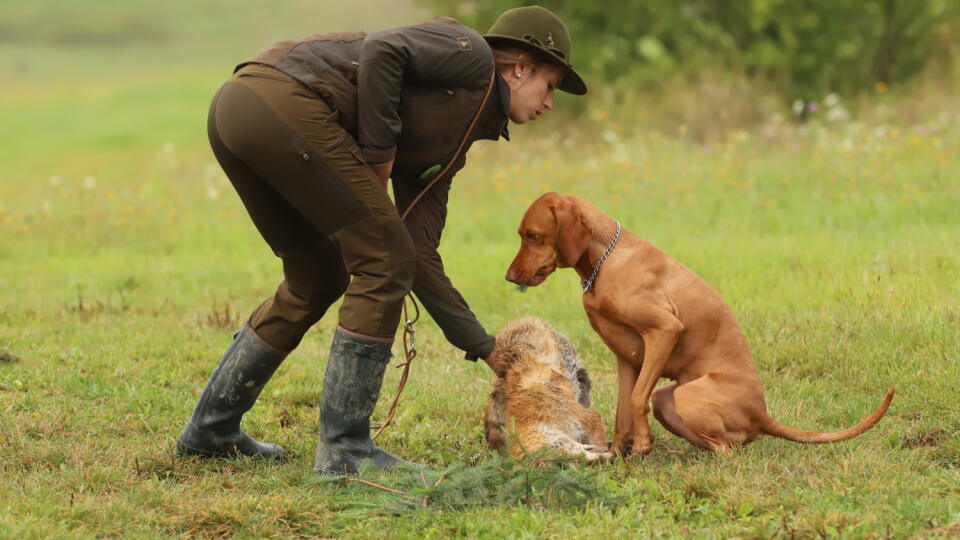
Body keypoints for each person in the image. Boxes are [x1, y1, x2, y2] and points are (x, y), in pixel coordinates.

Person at [176, 5, 587, 475]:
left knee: (317, 276)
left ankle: (210, 430)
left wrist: (483, 345)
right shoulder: (471, 53)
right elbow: (383, 49)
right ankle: (345, 451)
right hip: (277, 101)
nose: (551, 103)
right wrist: (379, 154)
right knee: (382, 259)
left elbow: (417, 255)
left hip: (240, 111)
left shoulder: (451, 146)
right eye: (550, 86)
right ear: (520, 69)